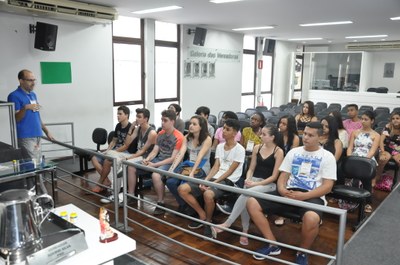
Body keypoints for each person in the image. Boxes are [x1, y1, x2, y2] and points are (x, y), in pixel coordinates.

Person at [247, 122, 336, 265]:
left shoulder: (327, 156)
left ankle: (302, 252)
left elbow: (327, 187)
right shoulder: (294, 152)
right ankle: (272, 244)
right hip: (288, 192)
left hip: (311, 195)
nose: (305, 137)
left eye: (310, 135)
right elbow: (283, 175)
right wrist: (282, 189)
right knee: (252, 202)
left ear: (320, 137)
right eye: (305, 134)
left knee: (312, 218)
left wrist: (304, 196)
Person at [212, 124, 284, 245]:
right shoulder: (257, 148)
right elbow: (251, 169)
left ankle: (228, 223)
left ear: (272, 137)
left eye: (264, 134)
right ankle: (244, 231)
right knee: (246, 197)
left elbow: (274, 177)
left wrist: (257, 183)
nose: (260, 136)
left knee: (245, 193)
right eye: (261, 133)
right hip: (253, 181)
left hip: (268, 184)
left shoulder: (279, 151)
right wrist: (249, 179)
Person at [178, 119, 245, 238]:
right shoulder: (219, 146)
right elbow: (216, 167)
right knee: (182, 189)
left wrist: (213, 183)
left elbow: (230, 171)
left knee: (208, 194)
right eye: (223, 128)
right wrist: (206, 180)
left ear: (235, 133)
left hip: (229, 181)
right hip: (215, 178)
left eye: (227, 129)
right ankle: (202, 215)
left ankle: (208, 222)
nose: (223, 131)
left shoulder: (240, 149)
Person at [128, 109, 184, 215]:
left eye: (165, 120)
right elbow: (155, 151)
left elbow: (173, 158)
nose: (162, 123)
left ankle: (161, 203)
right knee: (131, 167)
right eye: (162, 120)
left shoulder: (179, 136)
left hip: (171, 164)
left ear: (172, 122)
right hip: (158, 160)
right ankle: (131, 196)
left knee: (155, 175)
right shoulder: (160, 133)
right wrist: (148, 159)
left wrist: (154, 165)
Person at [7, 69, 54, 190]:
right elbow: (15, 118)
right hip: (25, 136)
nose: (33, 83)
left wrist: (46, 130)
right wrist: (25, 108)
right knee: (35, 167)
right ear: (21, 80)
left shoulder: (33, 95)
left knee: (36, 165)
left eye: (34, 80)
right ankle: (43, 196)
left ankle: (34, 194)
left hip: (37, 135)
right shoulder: (14, 96)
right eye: (30, 80)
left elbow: (37, 115)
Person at [100, 108, 157, 204]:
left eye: (139, 117)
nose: (137, 119)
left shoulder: (152, 133)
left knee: (116, 161)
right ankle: (116, 188)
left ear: (146, 119)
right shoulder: (138, 129)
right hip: (135, 155)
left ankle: (115, 193)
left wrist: (128, 158)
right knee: (110, 154)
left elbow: (142, 151)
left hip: (144, 157)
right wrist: (131, 129)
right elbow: (127, 143)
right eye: (136, 116)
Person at [166, 115, 212, 213]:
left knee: (183, 185)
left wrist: (192, 172)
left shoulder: (207, 139)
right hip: (189, 165)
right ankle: (184, 204)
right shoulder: (187, 137)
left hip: (202, 166)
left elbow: (200, 156)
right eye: (190, 123)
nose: (191, 126)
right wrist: (172, 168)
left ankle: (191, 208)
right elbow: (180, 154)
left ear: (201, 127)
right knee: (170, 182)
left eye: (194, 124)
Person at [90, 106, 132, 193]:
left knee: (107, 160)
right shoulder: (118, 125)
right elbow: (114, 140)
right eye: (117, 114)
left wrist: (113, 152)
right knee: (94, 158)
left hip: (125, 152)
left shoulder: (131, 127)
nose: (118, 116)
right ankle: (106, 181)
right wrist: (108, 150)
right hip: (115, 150)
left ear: (126, 115)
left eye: (120, 114)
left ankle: (100, 184)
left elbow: (126, 146)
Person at [347, 110, 380, 213]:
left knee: (366, 179)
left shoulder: (376, 135)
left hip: (367, 159)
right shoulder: (355, 132)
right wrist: (350, 157)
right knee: (350, 176)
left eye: (366, 119)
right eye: (362, 119)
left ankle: (368, 202)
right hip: (354, 156)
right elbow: (350, 147)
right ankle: (351, 199)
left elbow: (373, 151)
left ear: (372, 121)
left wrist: (363, 161)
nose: (363, 121)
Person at [375, 111, 400, 186]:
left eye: (397, 118)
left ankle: (397, 184)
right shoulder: (388, 127)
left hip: (397, 150)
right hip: (387, 148)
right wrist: (382, 152)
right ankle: (377, 177)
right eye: (393, 118)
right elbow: (381, 141)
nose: (395, 120)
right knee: (383, 159)